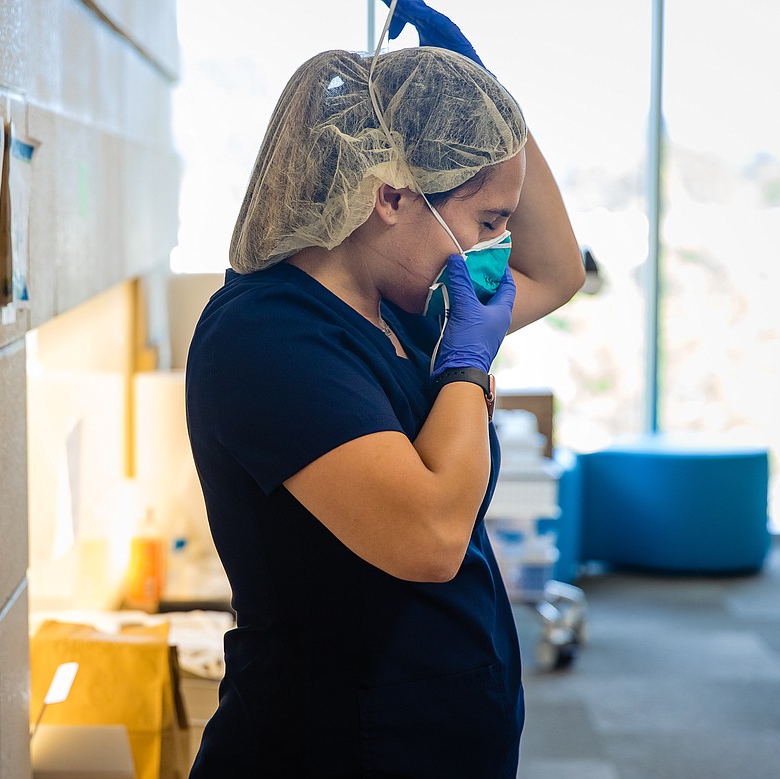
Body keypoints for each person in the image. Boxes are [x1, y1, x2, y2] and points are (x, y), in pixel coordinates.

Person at [183, 9, 583, 778]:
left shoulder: (400, 307)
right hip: (335, 744)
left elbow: (558, 272)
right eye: (486, 220)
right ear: (392, 198)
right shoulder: (268, 338)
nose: (497, 248)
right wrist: (467, 365)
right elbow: (429, 539)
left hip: (432, 732)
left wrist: (494, 109)